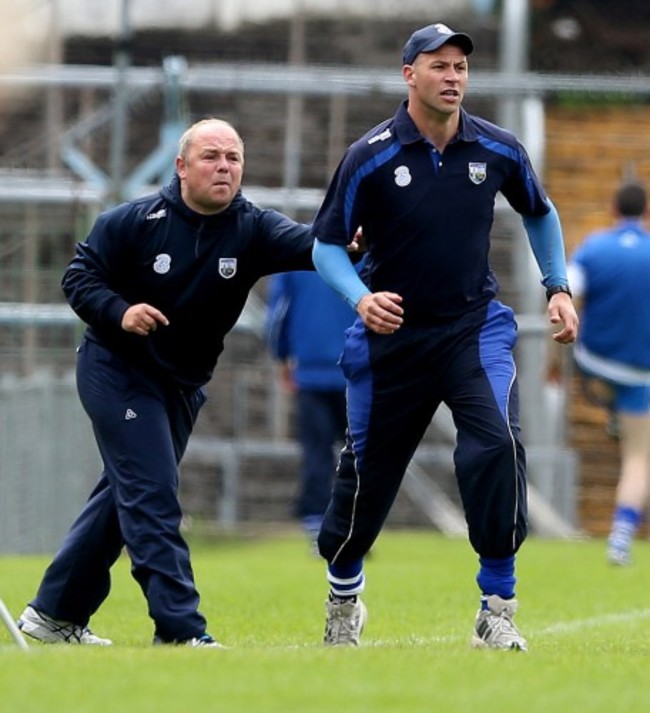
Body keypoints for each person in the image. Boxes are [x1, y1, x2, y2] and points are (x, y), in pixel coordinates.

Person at [309, 22, 579, 651]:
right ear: (410, 75)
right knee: (366, 481)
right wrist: (361, 298)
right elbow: (326, 248)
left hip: (472, 328)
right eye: (439, 66)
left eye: (461, 66)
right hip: (392, 339)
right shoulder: (369, 155)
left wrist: (557, 286)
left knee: (495, 446)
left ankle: (497, 606)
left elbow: (540, 212)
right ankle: (344, 597)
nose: (453, 77)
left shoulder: (498, 148)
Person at [17, 118, 319, 647]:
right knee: (153, 497)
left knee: (121, 499)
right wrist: (121, 310)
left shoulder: (253, 227)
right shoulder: (134, 221)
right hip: (117, 371)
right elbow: (78, 277)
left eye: (233, 157)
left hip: (180, 385)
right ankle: (180, 631)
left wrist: (357, 240)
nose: (224, 166)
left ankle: (53, 615)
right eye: (211, 156)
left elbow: (316, 247)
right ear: (181, 166)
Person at [567, 179, 650, 567]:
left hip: (593, 363)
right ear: (645, 212)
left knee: (596, 378)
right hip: (639, 371)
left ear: (613, 208)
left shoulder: (593, 247)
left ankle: (611, 410)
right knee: (638, 457)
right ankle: (620, 539)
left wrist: (555, 362)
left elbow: (566, 294)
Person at [264, 271, 356, 550]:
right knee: (360, 454)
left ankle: (318, 526)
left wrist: (282, 357)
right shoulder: (368, 250)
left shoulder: (299, 255)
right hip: (357, 372)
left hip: (312, 373)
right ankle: (354, 525)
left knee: (317, 452)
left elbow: (277, 316)